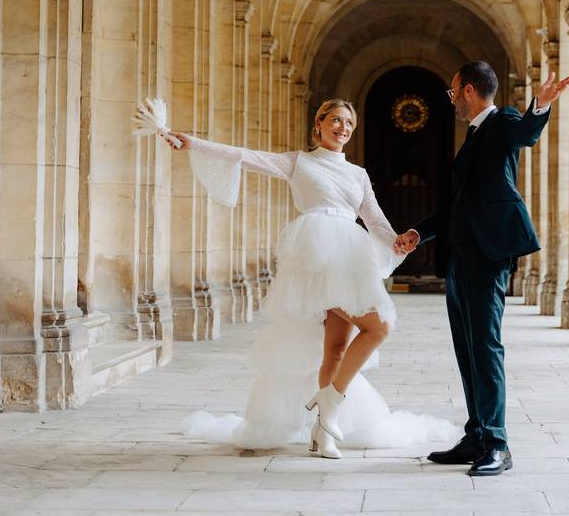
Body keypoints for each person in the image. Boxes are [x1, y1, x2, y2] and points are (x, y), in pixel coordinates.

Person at [138, 98, 458, 459]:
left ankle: (323, 430)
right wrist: (192, 143)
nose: (343, 128)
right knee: (378, 326)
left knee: (336, 348)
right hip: (315, 259)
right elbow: (244, 155)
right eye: (336, 120)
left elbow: (376, 221)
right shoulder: (298, 162)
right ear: (318, 124)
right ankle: (329, 407)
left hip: (349, 258)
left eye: (349, 123)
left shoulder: (358, 174)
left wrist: (402, 240)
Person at [395, 61, 569, 476]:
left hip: (488, 254)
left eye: (453, 92)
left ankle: (497, 441)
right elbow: (457, 207)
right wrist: (419, 234)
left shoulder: (501, 121)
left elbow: (524, 134)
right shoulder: (473, 135)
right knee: (468, 346)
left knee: (486, 345)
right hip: (461, 255)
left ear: (469, 90)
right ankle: (476, 435)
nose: (452, 100)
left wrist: (539, 107)